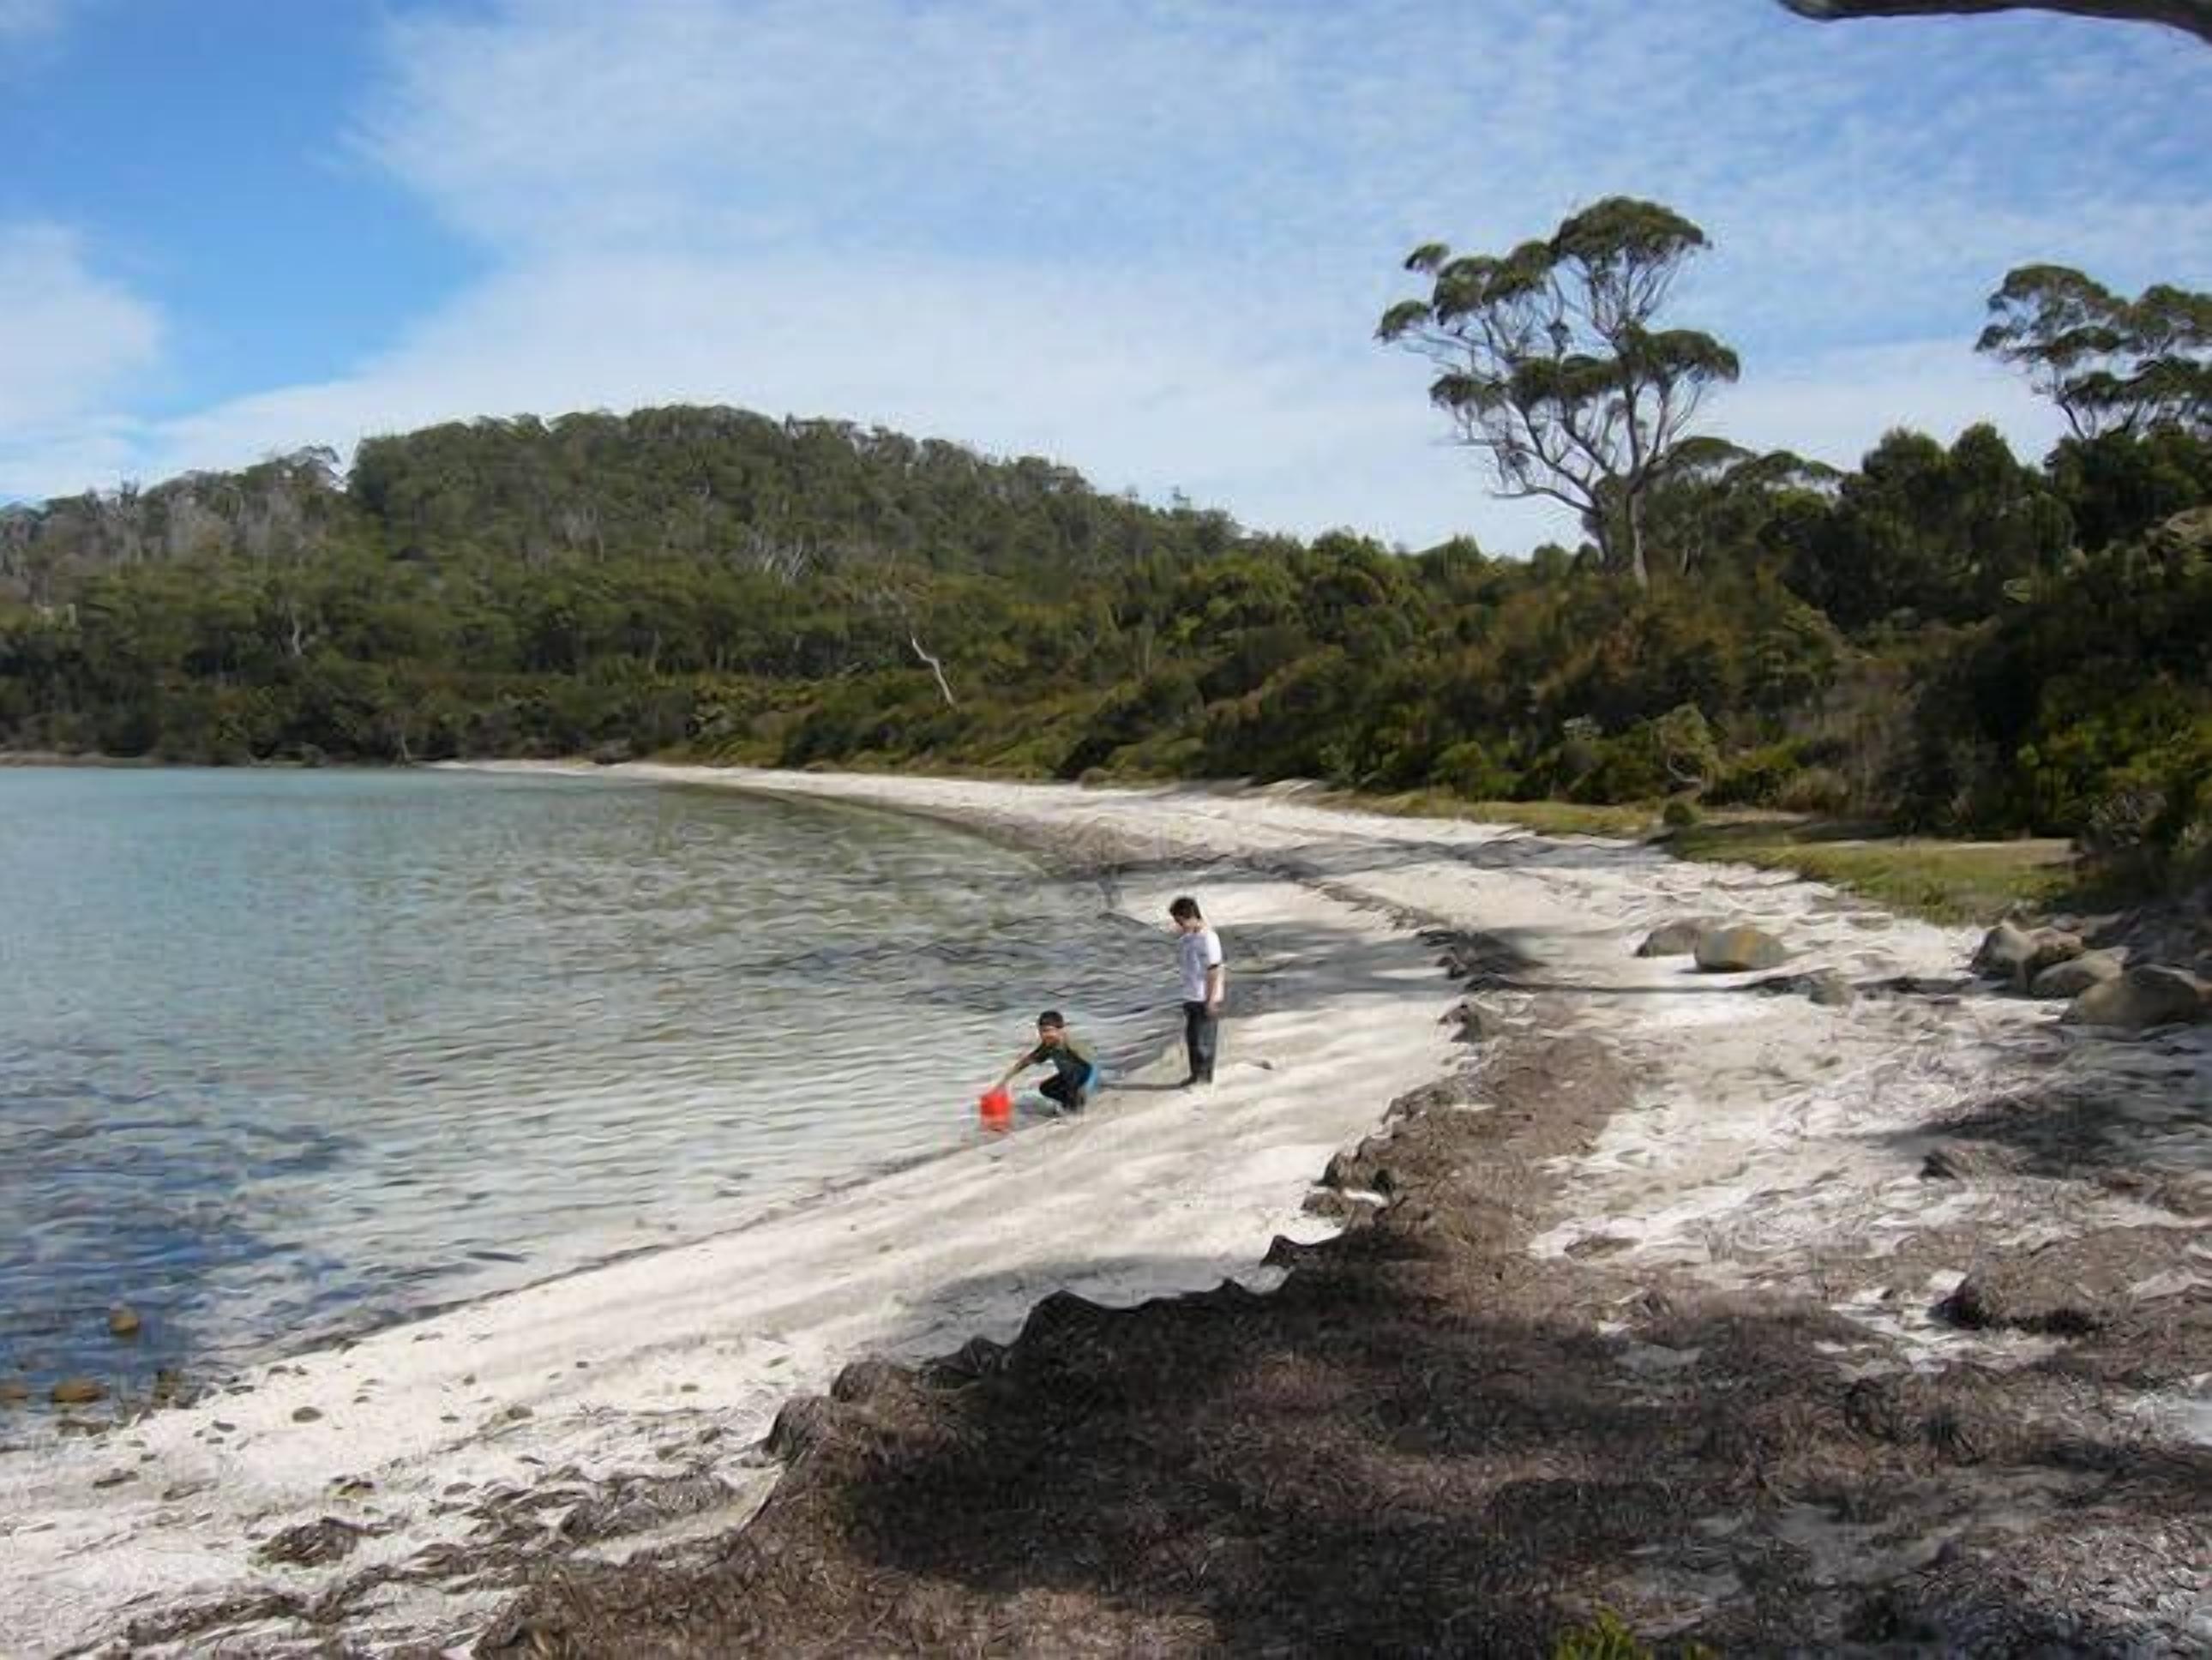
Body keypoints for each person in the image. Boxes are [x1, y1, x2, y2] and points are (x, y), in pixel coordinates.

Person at [992, 1009, 1097, 1115]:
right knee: (1046, 1088)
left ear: (1061, 1029)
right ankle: (1068, 1108)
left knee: (1074, 1093)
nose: (1044, 1035)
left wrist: (1086, 1088)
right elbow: (1026, 1062)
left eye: (1048, 1031)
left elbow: (1094, 1067)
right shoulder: (1048, 1047)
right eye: (1041, 1031)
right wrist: (1004, 1081)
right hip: (1068, 1077)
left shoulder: (1071, 1045)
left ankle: (1079, 1114)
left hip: (1085, 1078)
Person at [1169, 895, 1224, 1086]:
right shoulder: (1188, 938)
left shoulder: (1208, 938)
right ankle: (1195, 1075)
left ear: (1192, 916)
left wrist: (1211, 1000)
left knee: (1204, 1041)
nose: (1179, 926)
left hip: (1205, 996)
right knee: (1193, 1039)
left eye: (1180, 921)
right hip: (1190, 995)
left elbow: (1214, 970)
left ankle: (1204, 1078)